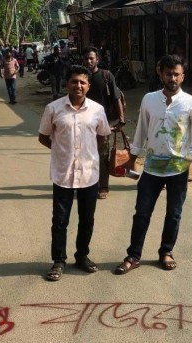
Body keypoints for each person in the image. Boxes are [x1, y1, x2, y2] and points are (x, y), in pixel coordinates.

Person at [114, 55, 192, 275]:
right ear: (161, 74)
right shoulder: (149, 99)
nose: (172, 78)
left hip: (178, 169)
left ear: (183, 76)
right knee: (142, 213)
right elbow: (142, 130)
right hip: (152, 168)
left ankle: (166, 252)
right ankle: (133, 255)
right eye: (168, 73)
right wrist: (132, 156)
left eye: (176, 74)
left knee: (174, 213)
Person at [38, 65, 111, 281]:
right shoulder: (53, 109)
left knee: (86, 219)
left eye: (82, 82)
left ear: (88, 86)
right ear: (67, 84)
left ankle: (82, 256)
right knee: (60, 220)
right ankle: (58, 260)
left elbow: (102, 136)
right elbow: (44, 137)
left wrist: (87, 154)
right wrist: (61, 150)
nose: (78, 86)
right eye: (74, 82)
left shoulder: (97, 110)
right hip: (63, 173)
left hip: (89, 174)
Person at [82, 47, 125, 200]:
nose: (89, 61)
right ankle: (87, 185)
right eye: (86, 58)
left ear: (97, 60)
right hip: (84, 124)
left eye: (91, 58)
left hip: (103, 123)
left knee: (103, 156)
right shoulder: (81, 78)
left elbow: (116, 97)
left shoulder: (106, 76)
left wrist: (121, 119)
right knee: (85, 155)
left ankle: (103, 186)